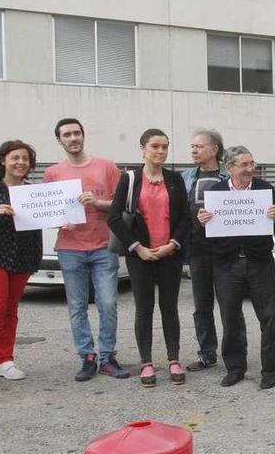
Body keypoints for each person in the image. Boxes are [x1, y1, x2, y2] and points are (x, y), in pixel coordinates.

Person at [43, 118, 128, 382]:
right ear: (59, 140)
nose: (73, 138)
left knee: (108, 303)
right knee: (77, 305)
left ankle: (107, 356)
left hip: (104, 246)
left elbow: (121, 203)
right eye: (66, 135)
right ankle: (87, 356)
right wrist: (59, 220)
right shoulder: (52, 173)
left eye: (76, 133)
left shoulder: (107, 167)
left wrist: (98, 202)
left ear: (83, 135)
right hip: (70, 247)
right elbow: (47, 212)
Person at [108, 129, 190, 388]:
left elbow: (185, 218)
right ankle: (146, 362)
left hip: (169, 254)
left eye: (165, 146)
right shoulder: (129, 179)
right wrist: (136, 247)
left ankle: (174, 359)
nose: (161, 151)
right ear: (143, 149)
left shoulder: (175, 179)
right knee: (144, 309)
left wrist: (172, 244)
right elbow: (114, 218)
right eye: (155, 146)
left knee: (170, 308)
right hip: (139, 255)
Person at [197, 146, 275, 390]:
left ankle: (271, 369)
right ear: (229, 167)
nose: (250, 169)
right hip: (227, 264)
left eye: (252, 163)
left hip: (259, 262)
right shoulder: (216, 192)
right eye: (244, 165)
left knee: (268, 317)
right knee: (230, 317)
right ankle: (235, 368)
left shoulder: (265, 189)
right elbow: (207, 232)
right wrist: (201, 221)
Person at [0, 140, 42, 391]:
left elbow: (44, 219)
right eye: (15, 158)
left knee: (11, 310)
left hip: (22, 256)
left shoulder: (31, 192)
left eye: (25, 159)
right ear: (3, 161)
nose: (21, 163)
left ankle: (3, 360)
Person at [181, 129, 229, 372]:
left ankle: (233, 353)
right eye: (192, 146)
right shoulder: (186, 177)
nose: (194, 150)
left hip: (226, 251)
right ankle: (207, 353)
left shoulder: (229, 175)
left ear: (215, 149)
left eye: (199, 146)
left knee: (229, 304)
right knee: (202, 305)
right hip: (198, 250)